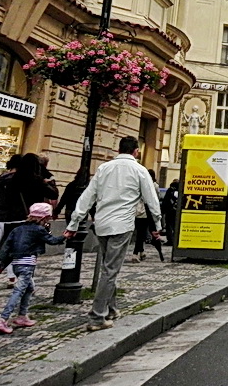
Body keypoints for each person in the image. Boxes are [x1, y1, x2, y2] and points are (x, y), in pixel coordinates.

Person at [65, 136, 161, 331]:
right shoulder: (140, 170)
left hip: (101, 224)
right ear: (136, 151)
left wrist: (74, 222)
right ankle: (97, 317)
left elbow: (87, 196)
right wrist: (157, 223)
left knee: (108, 267)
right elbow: (152, 200)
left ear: (119, 150)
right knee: (110, 270)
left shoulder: (104, 168)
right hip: (122, 225)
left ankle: (111, 309)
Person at [0, 153, 58, 298]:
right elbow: (53, 195)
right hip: (24, 221)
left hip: (3, 218)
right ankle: (25, 286)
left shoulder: (7, 179)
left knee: (5, 254)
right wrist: (49, 182)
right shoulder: (35, 180)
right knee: (27, 253)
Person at [0, 203, 65, 334]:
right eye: (47, 219)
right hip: (27, 265)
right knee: (18, 291)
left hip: (16, 265)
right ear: (43, 218)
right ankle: (2, 320)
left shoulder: (17, 229)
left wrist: (0, 264)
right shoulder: (39, 230)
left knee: (29, 288)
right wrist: (65, 236)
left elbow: (5, 248)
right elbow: (52, 240)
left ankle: (22, 316)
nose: (48, 221)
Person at [160, 180, 179, 246]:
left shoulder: (170, 191)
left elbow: (165, 201)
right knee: (175, 226)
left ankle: (170, 240)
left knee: (169, 226)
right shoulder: (180, 191)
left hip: (169, 211)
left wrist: (163, 210)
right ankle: (175, 240)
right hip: (176, 212)